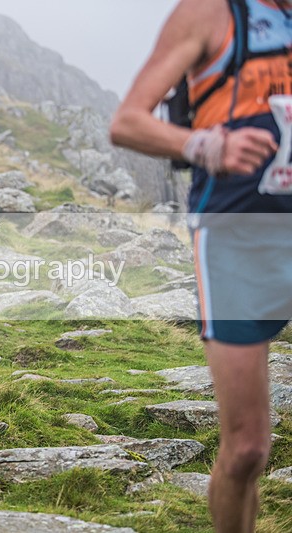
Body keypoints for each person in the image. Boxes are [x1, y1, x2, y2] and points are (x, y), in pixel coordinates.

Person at [110, 1, 291, 531]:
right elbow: (127, 122)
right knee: (248, 448)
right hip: (237, 240)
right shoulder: (210, 12)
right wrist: (208, 144)